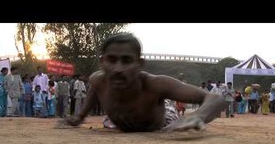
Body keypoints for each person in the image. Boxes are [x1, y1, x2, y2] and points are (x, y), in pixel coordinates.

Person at [64, 33, 225, 132]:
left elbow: (215, 98)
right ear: (102, 62)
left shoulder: (155, 84)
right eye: (111, 60)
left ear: (140, 64)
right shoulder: (97, 79)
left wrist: (198, 116)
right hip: (120, 123)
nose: (118, 69)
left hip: (162, 123)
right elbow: (94, 87)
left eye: (127, 61)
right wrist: (80, 116)